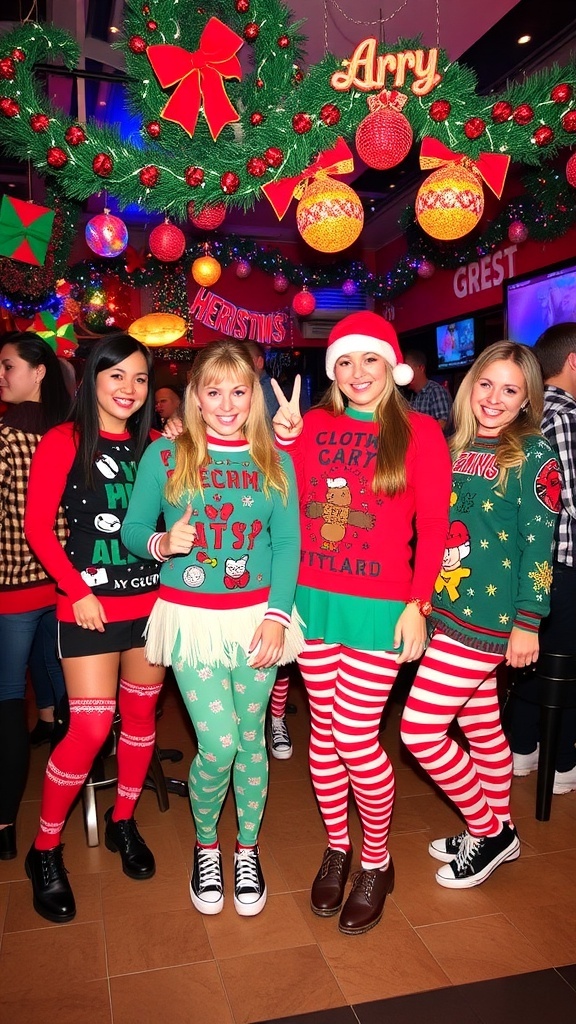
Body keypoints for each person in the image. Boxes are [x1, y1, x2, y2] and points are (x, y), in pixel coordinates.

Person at [271, 310, 451, 935]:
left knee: (354, 736)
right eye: (344, 361)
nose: (356, 372)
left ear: (392, 366)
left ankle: (377, 861)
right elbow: (283, 502)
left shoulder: (420, 431)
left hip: (381, 608)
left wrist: (419, 604)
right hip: (313, 602)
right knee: (323, 734)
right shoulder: (312, 424)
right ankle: (337, 846)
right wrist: (283, 441)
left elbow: (434, 524)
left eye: (369, 358)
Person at [122, 339, 303, 918]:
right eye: (214, 391)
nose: (227, 404)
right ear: (195, 397)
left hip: (258, 621)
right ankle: (206, 846)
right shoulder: (165, 455)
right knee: (219, 741)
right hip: (191, 620)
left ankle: (246, 850)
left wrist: (277, 616)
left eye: (239, 391)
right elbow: (131, 530)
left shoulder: (275, 459)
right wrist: (161, 541)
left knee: (251, 740)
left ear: (254, 397)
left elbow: (287, 543)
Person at [401, 341, 560, 889]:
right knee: (482, 727)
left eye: (510, 390)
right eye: (486, 384)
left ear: (527, 400)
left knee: (420, 731)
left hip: (489, 620)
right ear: (469, 387)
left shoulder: (534, 454)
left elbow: (539, 544)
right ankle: (500, 826)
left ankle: (488, 831)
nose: (494, 398)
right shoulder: (455, 445)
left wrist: (529, 621)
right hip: (448, 608)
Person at [24, 334, 164, 923]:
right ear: (92, 379)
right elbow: (38, 527)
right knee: (88, 729)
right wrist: (77, 591)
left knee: (141, 720)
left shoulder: (156, 446)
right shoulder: (64, 440)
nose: (129, 389)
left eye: (140, 378)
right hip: (89, 608)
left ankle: (122, 820)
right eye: (116, 376)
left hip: (152, 607)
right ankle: (44, 849)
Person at [0, 332, 70, 860]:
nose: (1, 376)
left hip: (14, 590)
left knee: (7, 700)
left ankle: (5, 820)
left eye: (8, 366)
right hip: (68, 585)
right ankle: (68, 795)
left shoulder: (5, 439)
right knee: (63, 689)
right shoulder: (70, 435)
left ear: (39, 371)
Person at [510, 322, 576, 793]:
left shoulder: (527, 412)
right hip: (565, 564)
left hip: (529, 564)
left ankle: (524, 747)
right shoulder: (566, 416)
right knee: (566, 668)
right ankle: (563, 763)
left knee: (534, 661)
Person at [404, 349, 453, 431]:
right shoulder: (411, 396)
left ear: (421, 368)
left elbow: (442, 425)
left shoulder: (436, 391)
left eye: (407, 370)